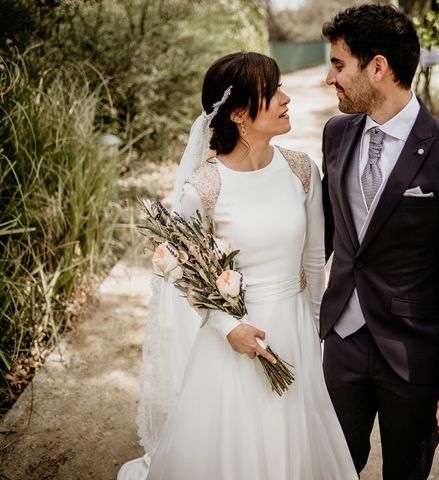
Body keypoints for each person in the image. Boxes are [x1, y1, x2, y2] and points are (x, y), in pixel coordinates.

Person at [118, 51, 358, 480]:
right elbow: (183, 271)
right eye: (274, 91)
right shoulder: (204, 187)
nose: (287, 99)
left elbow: (315, 258)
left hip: (295, 325)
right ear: (240, 114)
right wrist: (229, 327)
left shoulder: (301, 170)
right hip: (234, 339)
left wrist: (316, 327)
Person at [320, 4, 439, 479]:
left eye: (339, 65)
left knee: (406, 471)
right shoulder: (336, 133)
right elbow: (327, 234)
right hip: (342, 340)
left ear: (377, 68)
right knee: (333, 466)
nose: (329, 78)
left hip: (413, 352)